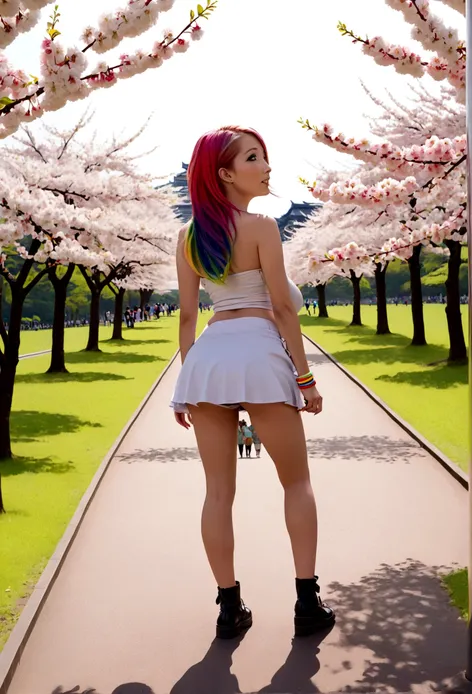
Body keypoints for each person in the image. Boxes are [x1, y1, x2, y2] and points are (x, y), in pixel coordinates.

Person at [171, 125, 334, 640]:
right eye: (254, 157)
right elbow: (283, 308)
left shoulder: (188, 238)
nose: (266, 166)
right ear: (225, 173)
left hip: (209, 362)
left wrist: (184, 383)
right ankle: (306, 604)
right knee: (297, 483)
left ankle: (227, 608)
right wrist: (305, 379)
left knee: (217, 492)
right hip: (260, 355)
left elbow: (187, 318)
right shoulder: (262, 226)